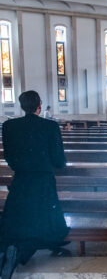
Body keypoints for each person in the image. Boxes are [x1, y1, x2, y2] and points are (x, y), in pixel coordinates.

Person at [0, 91, 69, 278]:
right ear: (39, 104)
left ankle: (13, 250)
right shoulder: (50, 126)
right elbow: (59, 160)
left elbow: (9, 157)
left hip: (21, 180)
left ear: (21, 106)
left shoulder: (9, 126)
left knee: (19, 218)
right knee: (45, 218)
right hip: (43, 180)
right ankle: (23, 250)